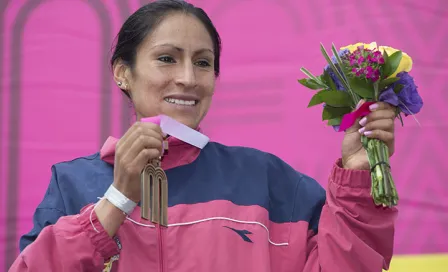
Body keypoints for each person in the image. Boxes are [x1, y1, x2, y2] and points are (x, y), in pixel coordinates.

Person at [9, 0, 398, 271]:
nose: (188, 78)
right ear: (122, 72)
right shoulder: (71, 184)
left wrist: (358, 176)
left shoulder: (267, 180)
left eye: (203, 63)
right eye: (166, 58)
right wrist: (118, 199)